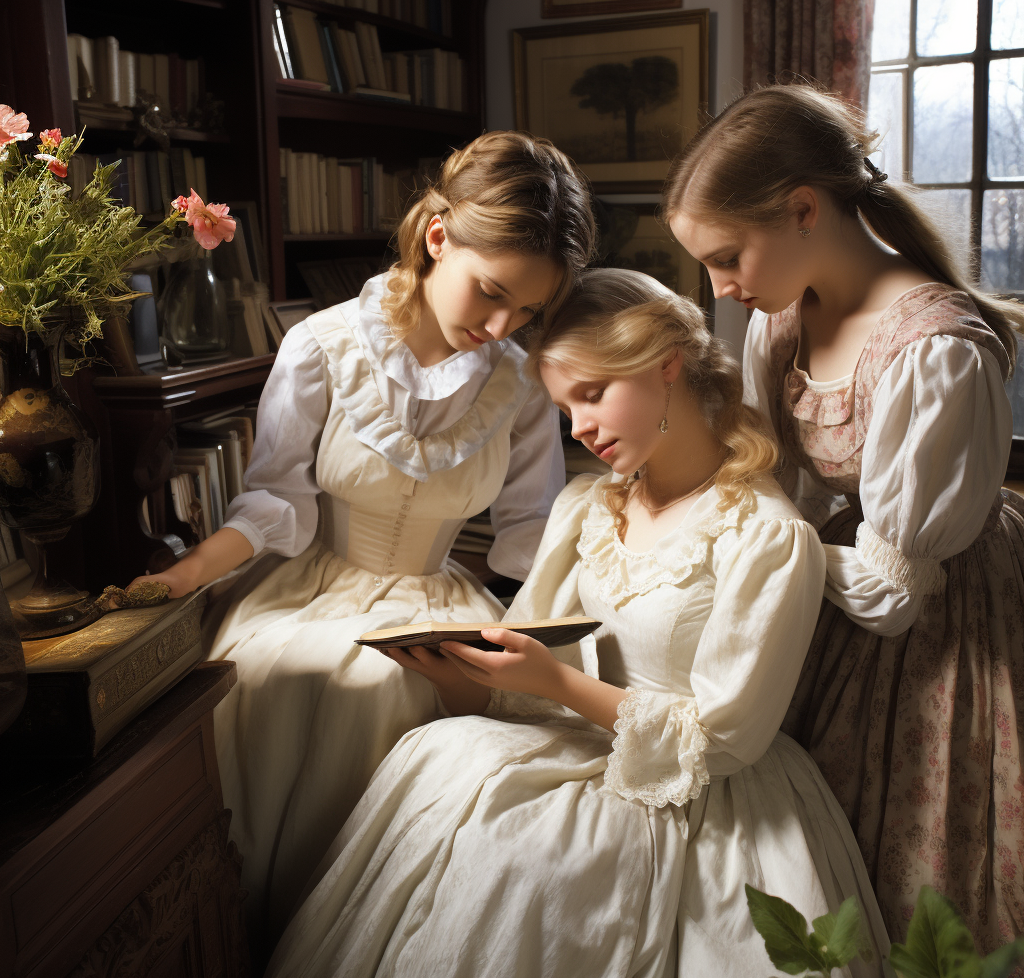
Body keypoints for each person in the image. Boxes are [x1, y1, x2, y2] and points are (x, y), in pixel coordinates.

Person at [263, 269, 891, 978]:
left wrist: (555, 683)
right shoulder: (590, 507)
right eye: (565, 409)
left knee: (529, 863)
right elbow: (527, 669)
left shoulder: (769, 537)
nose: (580, 429)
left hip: (700, 797)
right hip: (569, 741)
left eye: (591, 396)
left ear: (667, 365)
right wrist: (467, 683)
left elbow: (725, 738)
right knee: (435, 764)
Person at [128, 131, 597, 951]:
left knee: (444, 698)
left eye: (526, 311)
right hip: (315, 588)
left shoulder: (519, 384)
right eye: (491, 293)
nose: (500, 324)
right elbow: (274, 500)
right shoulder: (322, 345)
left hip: (438, 595)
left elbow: (531, 536)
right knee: (306, 677)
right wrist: (183, 576)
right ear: (438, 236)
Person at [664, 82, 1024, 951]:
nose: (719, 288)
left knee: (918, 860)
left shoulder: (935, 351)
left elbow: (897, 594)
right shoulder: (783, 319)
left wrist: (775, 549)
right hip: (840, 574)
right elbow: (773, 482)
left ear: (801, 210)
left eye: (727, 258)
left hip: (938, 620)